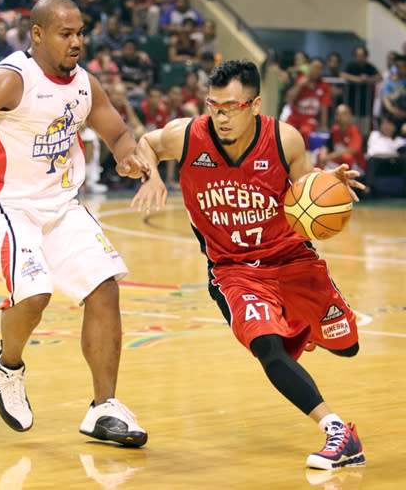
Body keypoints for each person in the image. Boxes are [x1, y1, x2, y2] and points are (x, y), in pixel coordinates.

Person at [131, 59, 366, 470]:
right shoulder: (188, 136)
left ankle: (303, 326)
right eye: (214, 106)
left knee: (348, 347)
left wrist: (329, 185)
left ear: (255, 104)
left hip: (291, 259)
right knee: (267, 347)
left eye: (232, 107)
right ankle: (337, 432)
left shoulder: (285, 140)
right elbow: (146, 142)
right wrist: (150, 173)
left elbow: (305, 193)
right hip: (234, 270)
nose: (221, 117)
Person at [0, 0, 151, 446]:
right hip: (5, 203)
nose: (76, 42)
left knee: (104, 286)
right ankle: (8, 365)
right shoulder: (11, 79)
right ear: (37, 34)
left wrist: (129, 158)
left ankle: (104, 408)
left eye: (80, 33)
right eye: (65, 33)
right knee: (34, 295)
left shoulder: (85, 84)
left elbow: (117, 132)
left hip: (60, 202)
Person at [284, 57, 332, 148]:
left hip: (310, 119)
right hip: (295, 117)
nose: (316, 71)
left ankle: (302, 156)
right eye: (314, 67)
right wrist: (299, 86)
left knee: (305, 132)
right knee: (285, 131)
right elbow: (288, 99)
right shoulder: (299, 79)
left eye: (319, 68)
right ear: (309, 67)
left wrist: (324, 126)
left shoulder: (324, 86)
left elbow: (324, 107)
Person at [316, 104, 365, 174]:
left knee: (347, 157)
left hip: (356, 165)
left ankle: (347, 181)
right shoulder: (335, 129)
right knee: (319, 154)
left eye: (344, 114)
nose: (340, 117)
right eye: (338, 114)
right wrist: (323, 154)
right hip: (338, 162)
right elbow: (327, 145)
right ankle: (318, 178)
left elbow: (353, 150)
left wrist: (330, 156)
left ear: (350, 116)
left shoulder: (355, 131)